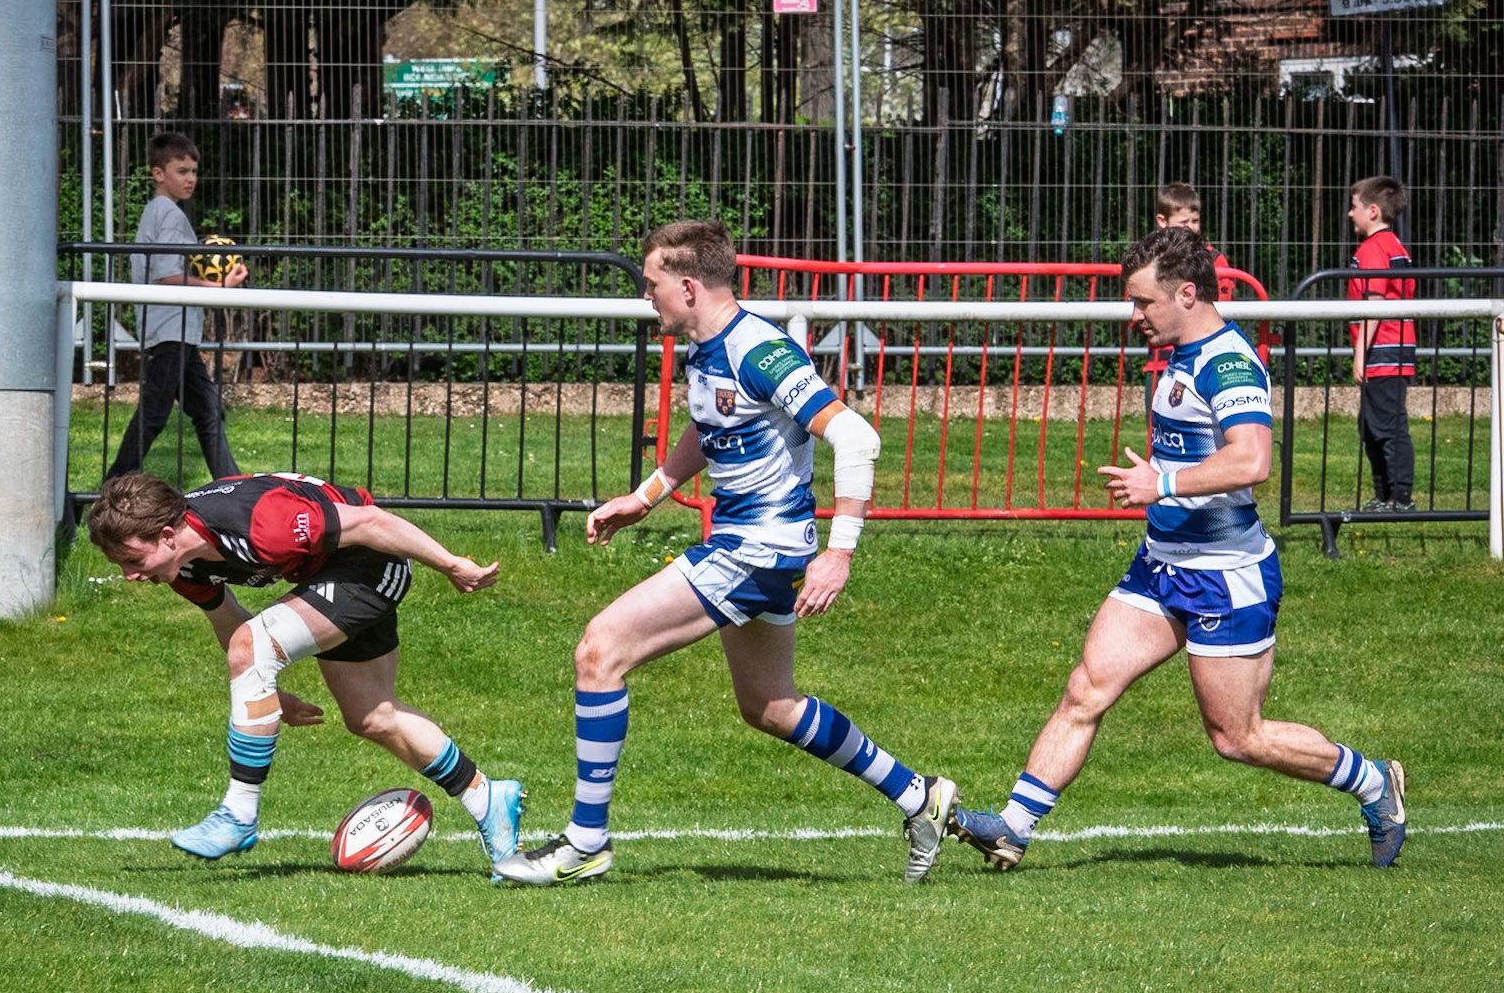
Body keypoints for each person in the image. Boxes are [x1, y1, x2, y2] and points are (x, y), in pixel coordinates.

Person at [492, 219, 957, 887]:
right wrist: (646, 495)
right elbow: (710, 424)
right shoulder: (705, 348)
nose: (646, 298)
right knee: (769, 705)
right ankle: (918, 796)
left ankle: (585, 841)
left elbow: (854, 439)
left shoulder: (760, 351)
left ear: (686, 285)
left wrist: (840, 554)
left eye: (651, 285)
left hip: (757, 548)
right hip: (753, 545)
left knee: (600, 651)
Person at [949, 227, 1407, 871]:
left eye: (1143, 303)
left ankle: (1373, 783)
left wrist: (1159, 482)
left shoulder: (1228, 363)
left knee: (1237, 737)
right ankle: (1013, 828)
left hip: (1226, 576)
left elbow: (1252, 460)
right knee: (1086, 688)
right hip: (1162, 564)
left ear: (1186, 293)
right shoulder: (1181, 357)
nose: (1133, 317)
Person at [87, 471, 524, 869]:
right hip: (327, 573)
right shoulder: (182, 566)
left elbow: (373, 522)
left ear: (166, 535)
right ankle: (487, 798)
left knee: (254, 645)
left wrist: (451, 564)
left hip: (371, 560)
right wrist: (264, 693)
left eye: (133, 561)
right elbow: (228, 621)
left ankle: (238, 812)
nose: (130, 575)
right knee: (372, 716)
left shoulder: (261, 521)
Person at [105, 132, 247, 483]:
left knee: (208, 410)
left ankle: (233, 487)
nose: (191, 179)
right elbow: (168, 275)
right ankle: (113, 488)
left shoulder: (162, 212)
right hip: (169, 331)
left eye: (194, 171)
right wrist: (221, 286)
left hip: (176, 330)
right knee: (154, 414)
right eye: (181, 170)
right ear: (158, 174)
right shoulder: (167, 213)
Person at [1346, 176, 1418, 512]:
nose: (1350, 214)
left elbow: (1374, 302)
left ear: (1372, 211)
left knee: (1387, 427)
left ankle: (1400, 497)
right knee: (1374, 426)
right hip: (1396, 348)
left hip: (1383, 351)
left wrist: (1360, 351)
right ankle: (1385, 494)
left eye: (1354, 206)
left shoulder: (1373, 249)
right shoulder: (1397, 247)